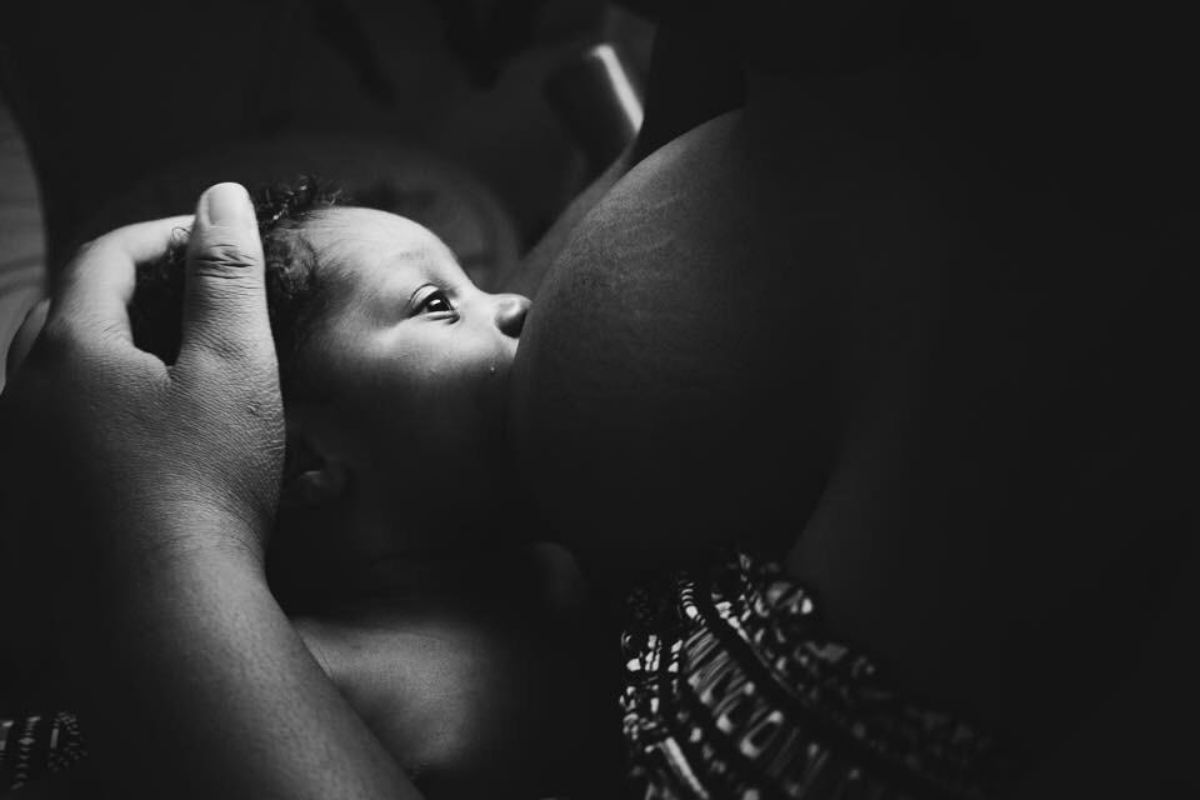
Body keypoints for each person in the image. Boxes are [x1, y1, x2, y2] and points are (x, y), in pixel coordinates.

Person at [1, 2, 1195, 799]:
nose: (517, 305)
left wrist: (161, 543)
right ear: (303, 460)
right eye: (438, 304)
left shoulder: (1090, 218)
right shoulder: (351, 666)